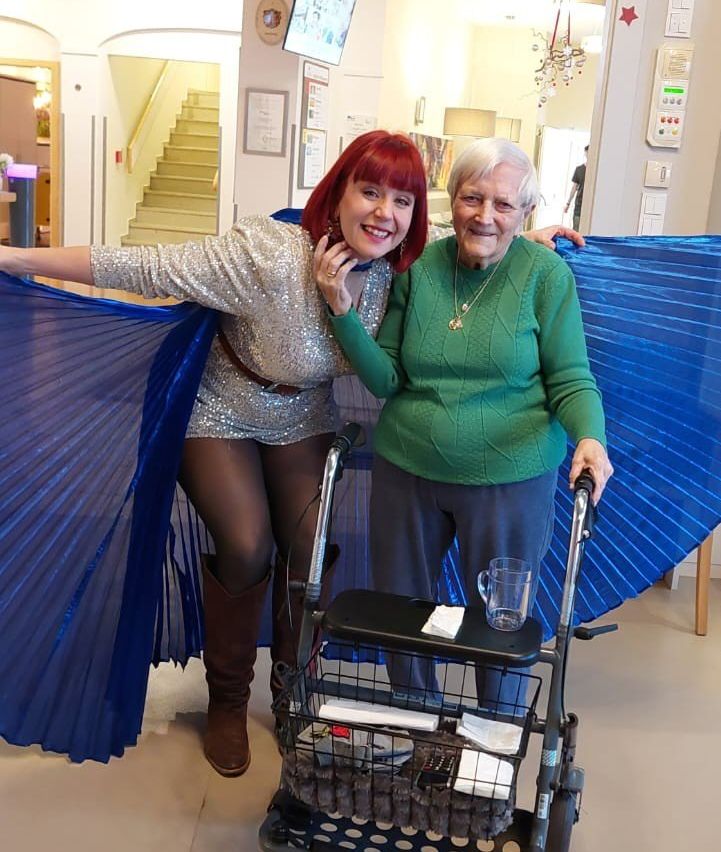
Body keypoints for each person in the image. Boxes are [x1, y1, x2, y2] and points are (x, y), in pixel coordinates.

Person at [0, 130, 581, 771]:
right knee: (248, 543)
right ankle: (227, 702)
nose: (385, 212)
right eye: (369, 192)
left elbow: (479, 248)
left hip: (303, 414)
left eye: (402, 201)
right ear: (337, 194)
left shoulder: (394, 273)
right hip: (220, 409)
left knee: (310, 548)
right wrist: (18, 259)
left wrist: (520, 237)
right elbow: (143, 265)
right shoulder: (269, 255)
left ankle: (292, 691)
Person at [315, 136, 613, 709]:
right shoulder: (418, 265)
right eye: (473, 198)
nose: (485, 216)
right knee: (401, 611)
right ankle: (415, 723)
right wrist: (343, 313)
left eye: (504, 205)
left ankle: (493, 740)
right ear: (450, 201)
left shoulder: (545, 276)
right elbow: (387, 380)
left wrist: (590, 439)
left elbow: (572, 378)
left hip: (510, 477)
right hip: (408, 470)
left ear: (527, 212)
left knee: (499, 622)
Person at [565, 144, 588, 231]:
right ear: (585, 153)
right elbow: (574, 188)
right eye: (587, 152)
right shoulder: (579, 169)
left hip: (589, 207)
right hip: (579, 205)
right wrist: (568, 203)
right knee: (576, 230)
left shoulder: (595, 171)